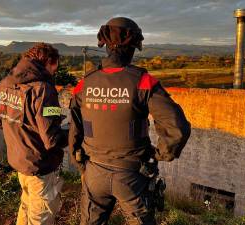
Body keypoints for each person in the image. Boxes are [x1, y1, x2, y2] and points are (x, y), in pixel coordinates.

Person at [69, 17, 191, 225]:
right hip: (132, 176)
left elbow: (74, 130)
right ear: (132, 47)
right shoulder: (143, 81)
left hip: (93, 172)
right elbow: (177, 126)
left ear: (106, 46)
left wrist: (81, 166)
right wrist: (159, 154)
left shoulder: (84, 83)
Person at [0, 42, 68, 225]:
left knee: (26, 205)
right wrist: (74, 133)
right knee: (40, 215)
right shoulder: (43, 90)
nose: (55, 71)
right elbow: (52, 138)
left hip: (19, 160)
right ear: (49, 62)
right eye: (55, 66)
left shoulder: (5, 84)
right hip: (40, 165)